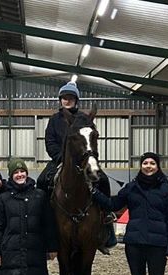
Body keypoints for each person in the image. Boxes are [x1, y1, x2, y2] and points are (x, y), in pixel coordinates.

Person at [39, 81, 115, 253]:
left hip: (83, 160)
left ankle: (106, 221)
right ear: (60, 100)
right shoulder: (54, 120)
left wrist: (89, 158)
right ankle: (44, 223)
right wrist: (60, 158)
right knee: (42, 181)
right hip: (60, 160)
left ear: (76, 100)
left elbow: (91, 140)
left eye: (70, 98)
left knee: (103, 180)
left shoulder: (84, 119)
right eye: (64, 98)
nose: (67, 101)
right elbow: (50, 142)